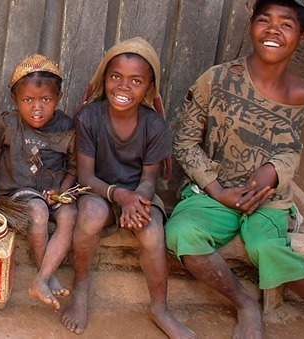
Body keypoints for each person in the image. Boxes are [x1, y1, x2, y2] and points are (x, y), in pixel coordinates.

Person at [165, 0, 304, 338]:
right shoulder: (218, 78)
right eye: (264, 19)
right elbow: (185, 142)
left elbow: (289, 147)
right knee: (181, 232)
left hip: (267, 198)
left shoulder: (299, 93)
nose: (273, 29)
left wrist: (273, 171)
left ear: (303, 36)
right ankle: (244, 303)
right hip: (215, 192)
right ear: (251, 24)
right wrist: (216, 189)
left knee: (267, 247)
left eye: (286, 24)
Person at [61, 37, 196, 338]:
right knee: (91, 216)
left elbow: (149, 179)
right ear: (104, 79)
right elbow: (86, 177)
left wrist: (137, 203)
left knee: (151, 232)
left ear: (149, 88)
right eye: (116, 77)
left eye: (135, 80)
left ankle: (160, 308)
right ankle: (80, 290)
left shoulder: (154, 125)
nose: (123, 86)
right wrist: (120, 196)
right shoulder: (90, 117)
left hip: (138, 195)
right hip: (100, 192)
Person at [0, 54, 77, 310]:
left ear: (58, 99)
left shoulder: (66, 126)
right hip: (18, 193)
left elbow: (73, 168)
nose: (37, 107)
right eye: (28, 100)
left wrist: (61, 192)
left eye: (46, 100)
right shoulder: (8, 123)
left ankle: (41, 279)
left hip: (54, 193)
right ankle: (46, 273)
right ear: (15, 99)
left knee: (70, 215)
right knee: (38, 212)